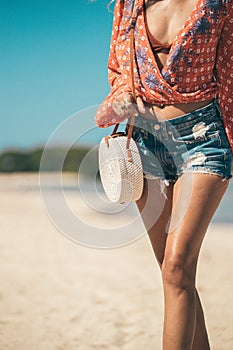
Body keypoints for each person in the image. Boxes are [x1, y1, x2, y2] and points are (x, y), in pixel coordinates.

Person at [95, 0, 233, 349]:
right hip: (144, 141)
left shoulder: (220, 4)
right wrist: (123, 94)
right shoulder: (131, 5)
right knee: (175, 275)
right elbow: (118, 69)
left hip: (203, 138)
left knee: (176, 268)